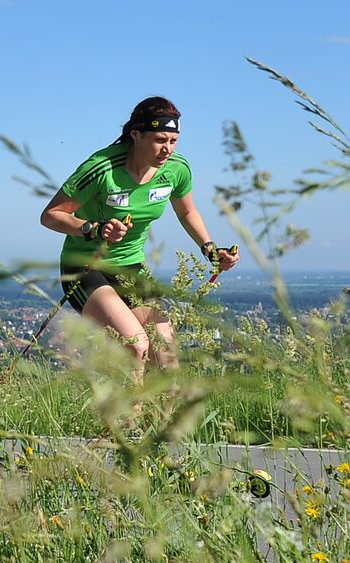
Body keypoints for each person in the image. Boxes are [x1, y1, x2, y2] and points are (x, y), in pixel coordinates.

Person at [40, 96, 239, 381]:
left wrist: (210, 250)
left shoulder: (176, 169)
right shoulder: (102, 167)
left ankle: (162, 425)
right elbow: (50, 215)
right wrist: (93, 229)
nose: (167, 149)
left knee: (167, 355)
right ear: (136, 135)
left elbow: (187, 212)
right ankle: (128, 424)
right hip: (85, 266)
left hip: (131, 267)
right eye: (160, 140)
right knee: (136, 346)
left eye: (173, 141)